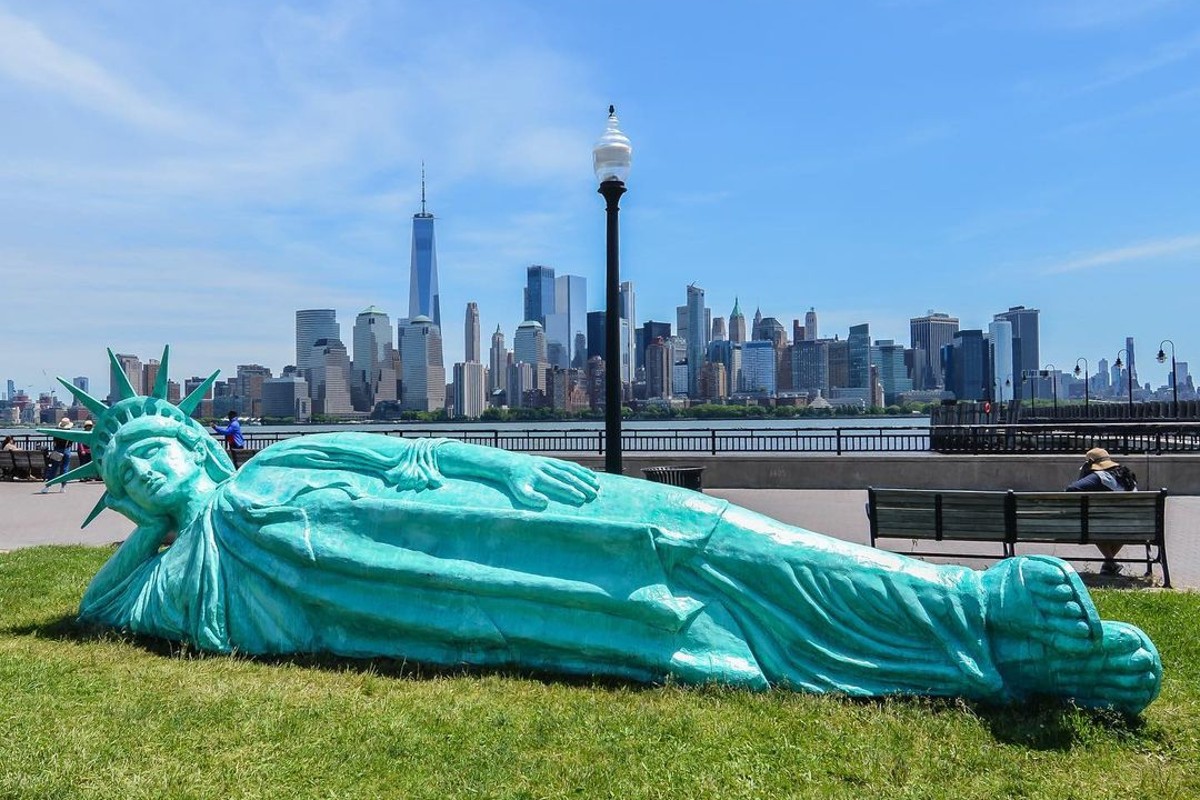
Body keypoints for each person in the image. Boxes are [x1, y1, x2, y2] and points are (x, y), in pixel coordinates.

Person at [44, 357, 1163, 715]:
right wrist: (153, 546)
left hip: (535, 527)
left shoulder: (287, 459)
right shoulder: (158, 581)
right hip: (533, 605)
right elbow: (116, 605)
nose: (153, 473)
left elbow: (428, 459)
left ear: (202, 442)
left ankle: (977, 610)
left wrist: (550, 483)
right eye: (134, 473)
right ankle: (989, 658)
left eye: (164, 451)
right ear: (131, 504)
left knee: (728, 541)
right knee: (732, 629)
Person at [1066, 447, 1137, 575]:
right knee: (1110, 523)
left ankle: (1109, 561)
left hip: (1104, 524)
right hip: (1133, 526)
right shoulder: (1127, 476)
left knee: (1091, 522)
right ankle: (1109, 564)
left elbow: (1072, 489)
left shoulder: (1099, 477)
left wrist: (1083, 475)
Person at [40, 418, 74, 493]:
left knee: (53, 468)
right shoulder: (70, 432)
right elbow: (71, 442)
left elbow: (54, 442)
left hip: (58, 450)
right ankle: (63, 487)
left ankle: (47, 487)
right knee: (65, 468)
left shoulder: (57, 432)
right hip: (67, 450)